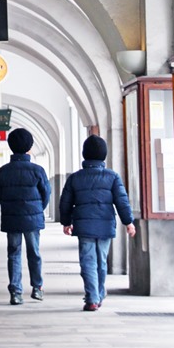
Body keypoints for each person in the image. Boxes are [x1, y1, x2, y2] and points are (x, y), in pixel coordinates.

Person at [59, 134, 136, 312]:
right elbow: (122, 201)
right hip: (105, 225)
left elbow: (65, 202)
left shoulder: (75, 178)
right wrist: (128, 222)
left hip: (84, 226)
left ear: (84, 154)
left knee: (88, 261)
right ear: (104, 155)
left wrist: (66, 222)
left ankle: (92, 297)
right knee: (101, 261)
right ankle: (98, 294)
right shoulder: (112, 177)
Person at [0, 128, 51, 305]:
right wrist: (37, 209)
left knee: (14, 253)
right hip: (32, 218)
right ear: (30, 147)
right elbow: (46, 194)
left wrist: (10, 207)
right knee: (34, 252)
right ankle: (37, 287)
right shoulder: (37, 170)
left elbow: (0, 195)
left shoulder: (4, 171)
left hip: (12, 217)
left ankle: (16, 292)